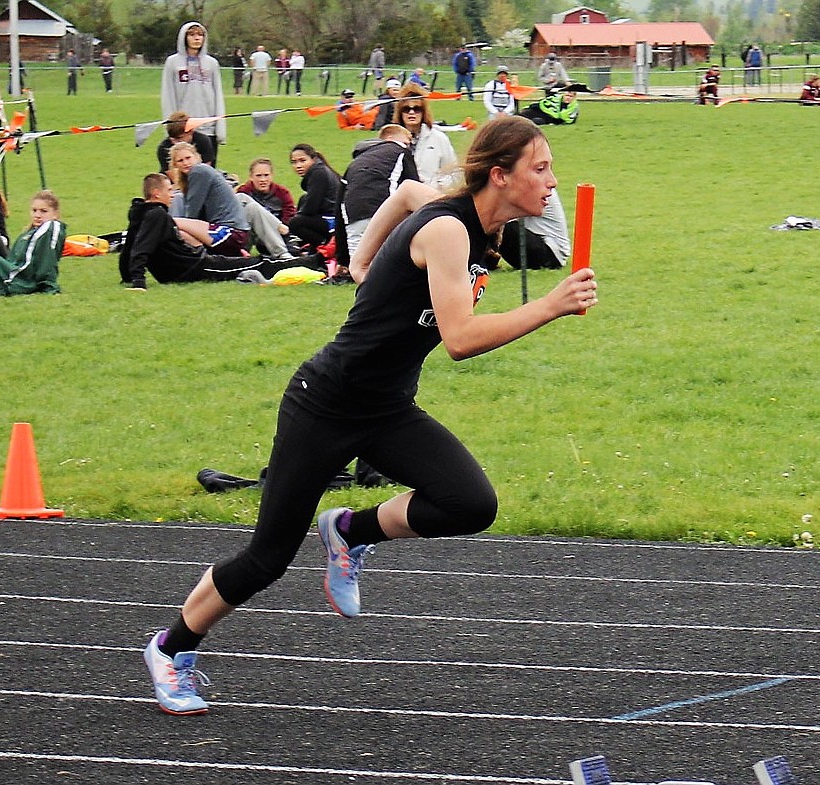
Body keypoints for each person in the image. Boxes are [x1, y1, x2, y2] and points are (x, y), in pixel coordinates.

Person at [140, 115, 599, 715]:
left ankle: (351, 531)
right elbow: (459, 338)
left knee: (470, 503)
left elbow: (406, 193)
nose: (552, 182)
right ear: (500, 175)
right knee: (267, 559)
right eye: (540, 169)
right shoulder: (450, 232)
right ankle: (171, 649)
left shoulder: (466, 217)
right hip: (324, 405)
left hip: (385, 409)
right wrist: (551, 306)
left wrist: (361, 258)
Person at [120, 173, 314, 290]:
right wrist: (138, 281)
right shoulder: (156, 215)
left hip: (187, 266)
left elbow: (130, 246)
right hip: (193, 268)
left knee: (252, 262)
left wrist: (126, 275)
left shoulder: (140, 213)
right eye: (169, 191)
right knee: (257, 264)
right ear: (156, 194)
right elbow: (140, 249)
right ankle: (311, 262)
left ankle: (305, 261)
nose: (172, 195)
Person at [337, 124, 420, 265]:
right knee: (390, 263)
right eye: (406, 141)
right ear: (389, 138)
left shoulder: (355, 163)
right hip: (383, 209)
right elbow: (414, 188)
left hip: (353, 215)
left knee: (359, 267)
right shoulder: (400, 151)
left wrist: (342, 260)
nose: (409, 145)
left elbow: (339, 202)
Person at [168, 142, 251, 257]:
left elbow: (192, 213)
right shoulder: (192, 177)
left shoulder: (199, 171)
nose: (186, 163)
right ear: (175, 165)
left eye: (188, 158)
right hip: (235, 233)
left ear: (196, 157)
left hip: (231, 232)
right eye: (180, 161)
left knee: (177, 228)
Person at [161, 22, 226, 167]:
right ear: (184, 37)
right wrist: (172, 127)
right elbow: (168, 95)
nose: (197, 38)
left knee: (208, 173)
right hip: (183, 131)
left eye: (200, 35)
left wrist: (219, 127)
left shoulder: (212, 63)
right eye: (192, 34)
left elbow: (218, 95)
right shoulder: (173, 63)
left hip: (208, 128)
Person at [393, 85, 458, 190]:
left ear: (424, 112)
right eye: (406, 109)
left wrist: (438, 186)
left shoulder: (439, 138)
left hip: (431, 197)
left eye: (417, 109)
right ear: (400, 113)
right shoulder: (391, 140)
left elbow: (453, 171)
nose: (411, 112)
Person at [497, 186, 570, 270]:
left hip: (551, 254)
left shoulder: (534, 187)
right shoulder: (533, 183)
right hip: (549, 251)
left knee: (501, 226)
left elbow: (503, 213)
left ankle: (485, 261)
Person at [288, 143, 341, 250]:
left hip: (333, 219)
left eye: (302, 161)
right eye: (294, 162)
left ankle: (325, 245)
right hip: (330, 216)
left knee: (295, 223)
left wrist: (293, 222)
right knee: (303, 199)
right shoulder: (320, 170)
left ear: (313, 159)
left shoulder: (318, 173)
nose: (298, 165)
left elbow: (311, 207)